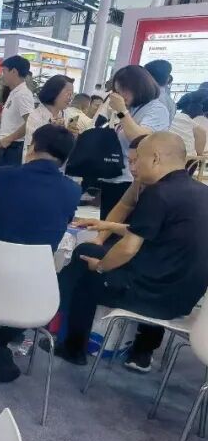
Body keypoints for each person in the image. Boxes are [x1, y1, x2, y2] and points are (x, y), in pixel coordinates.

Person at [51, 133, 208, 370]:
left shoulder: (158, 193)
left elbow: (127, 249)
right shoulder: (200, 192)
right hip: (185, 299)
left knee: (86, 267)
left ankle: (72, 345)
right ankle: (59, 317)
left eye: (137, 159)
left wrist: (100, 267)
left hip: (153, 296)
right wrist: (107, 226)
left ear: (155, 158)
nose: (133, 166)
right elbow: (156, 233)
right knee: (89, 251)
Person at [0, 124, 81, 382]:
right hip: (34, 289)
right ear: (65, 157)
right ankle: (0, 341)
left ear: (32, 146)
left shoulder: (5, 176)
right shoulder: (72, 190)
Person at [98, 64, 171, 219]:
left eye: (124, 90)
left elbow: (139, 139)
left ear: (139, 87)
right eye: (117, 90)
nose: (120, 95)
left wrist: (121, 111)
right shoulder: (130, 109)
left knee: (124, 226)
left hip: (134, 180)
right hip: (113, 174)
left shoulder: (156, 109)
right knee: (107, 224)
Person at [0, 55, 34, 171]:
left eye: (4, 71)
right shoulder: (14, 93)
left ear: (14, 71)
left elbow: (31, 122)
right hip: (6, 146)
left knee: (4, 180)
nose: (2, 76)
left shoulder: (23, 94)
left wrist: (9, 139)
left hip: (14, 148)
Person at [23, 75, 78, 161]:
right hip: (39, 164)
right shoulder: (36, 116)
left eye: (72, 94)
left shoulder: (71, 116)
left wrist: (74, 137)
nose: (70, 98)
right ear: (54, 91)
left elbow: (72, 148)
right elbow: (30, 147)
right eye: (68, 93)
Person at [170, 90, 208, 158]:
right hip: (190, 161)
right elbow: (202, 133)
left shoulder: (179, 116)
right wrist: (199, 154)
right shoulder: (185, 118)